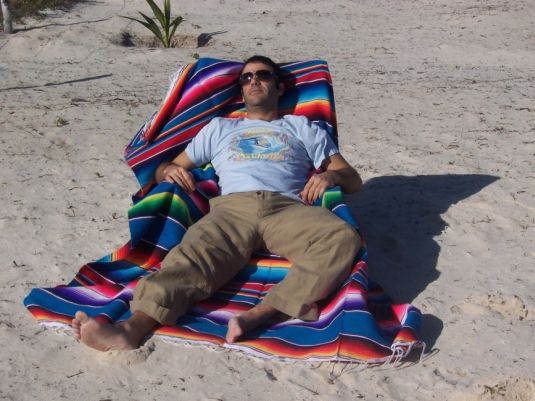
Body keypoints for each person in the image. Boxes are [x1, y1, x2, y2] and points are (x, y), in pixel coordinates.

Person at [72, 55, 362, 351]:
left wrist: (331, 178)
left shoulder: (301, 126)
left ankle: (261, 313)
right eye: (246, 78)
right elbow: (166, 168)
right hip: (232, 210)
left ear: (280, 87)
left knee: (341, 237)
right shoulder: (219, 128)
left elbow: (352, 178)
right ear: (241, 89)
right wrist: (167, 170)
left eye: (262, 75)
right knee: (190, 259)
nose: (254, 81)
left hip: (286, 208)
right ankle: (129, 330)